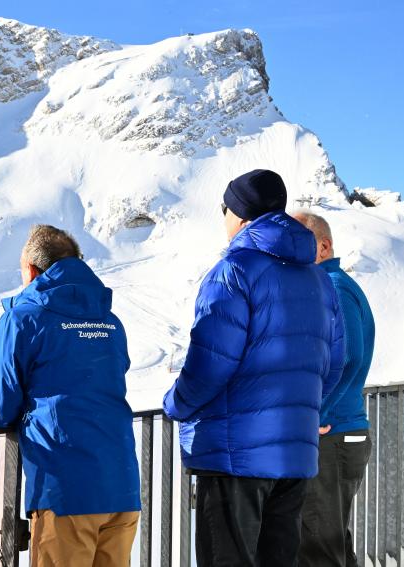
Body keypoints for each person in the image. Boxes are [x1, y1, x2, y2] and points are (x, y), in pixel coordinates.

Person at [163, 169, 345, 567]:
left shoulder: (234, 272)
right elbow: (332, 366)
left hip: (235, 458)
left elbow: (210, 365)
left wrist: (175, 404)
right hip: (294, 457)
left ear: (241, 214)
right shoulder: (318, 279)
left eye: (224, 209)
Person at [0, 224, 140, 567]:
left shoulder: (24, 318)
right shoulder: (110, 320)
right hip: (121, 487)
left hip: (65, 488)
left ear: (30, 270)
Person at [292, 211, 375, 567]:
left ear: (324, 246)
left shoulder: (335, 288)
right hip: (337, 435)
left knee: (319, 551)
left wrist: (316, 414)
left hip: (333, 434)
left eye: (298, 241)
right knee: (331, 544)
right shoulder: (323, 285)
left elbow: (351, 357)